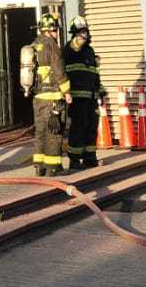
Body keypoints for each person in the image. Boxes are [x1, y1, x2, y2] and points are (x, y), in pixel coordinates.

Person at [26, 10, 71, 179]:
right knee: (54, 131)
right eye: (55, 30)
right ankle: (53, 167)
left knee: (41, 131)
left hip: (38, 98)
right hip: (53, 97)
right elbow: (59, 70)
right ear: (50, 30)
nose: (57, 33)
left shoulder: (34, 45)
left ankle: (40, 166)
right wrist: (67, 92)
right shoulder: (52, 45)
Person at [63, 15, 103, 170]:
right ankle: (74, 160)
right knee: (78, 128)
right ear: (75, 33)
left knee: (91, 126)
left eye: (85, 31)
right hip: (78, 97)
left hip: (91, 96)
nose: (84, 34)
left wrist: (100, 91)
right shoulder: (71, 48)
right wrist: (80, 37)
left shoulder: (89, 51)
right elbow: (76, 44)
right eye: (80, 32)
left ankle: (90, 158)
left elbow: (94, 73)